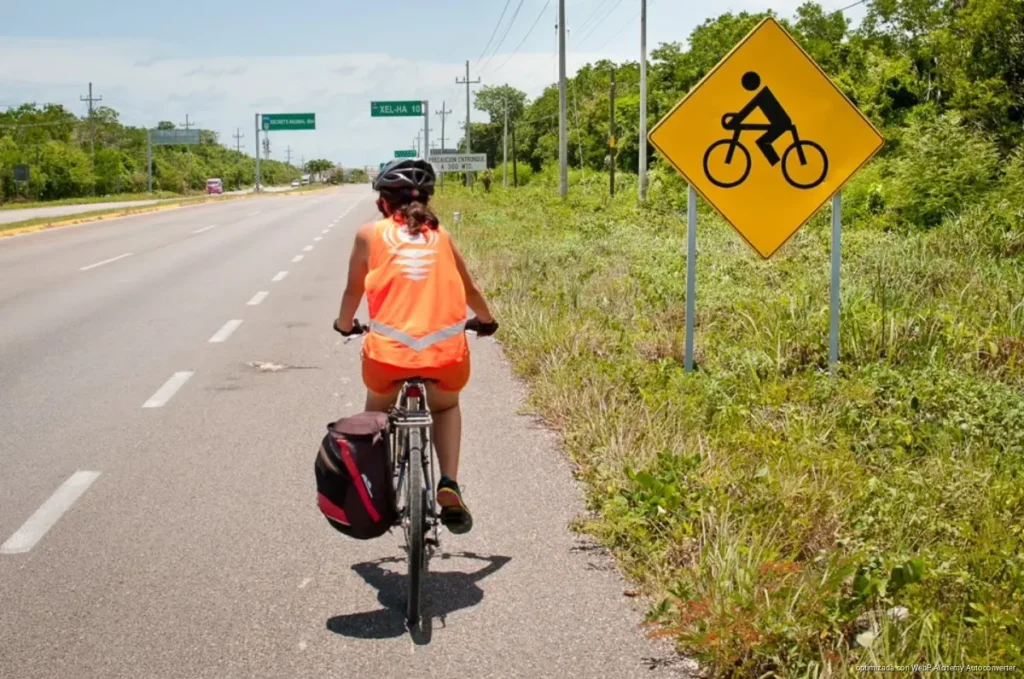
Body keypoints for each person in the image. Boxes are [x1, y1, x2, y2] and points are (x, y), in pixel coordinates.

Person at [333, 158, 498, 534]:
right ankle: (449, 483)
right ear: (426, 201)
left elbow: (352, 290)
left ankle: (373, 487)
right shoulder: (441, 236)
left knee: (376, 411)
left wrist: (345, 326)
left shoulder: (369, 234)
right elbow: (470, 290)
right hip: (445, 355)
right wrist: (486, 321)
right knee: (446, 406)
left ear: (382, 203)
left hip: (387, 356)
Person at [726, 71, 792, 167]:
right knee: (762, 141)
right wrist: (735, 121)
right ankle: (777, 164)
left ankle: (777, 164)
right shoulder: (762, 93)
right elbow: (746, 110)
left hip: (782, 123)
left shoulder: (762, 94)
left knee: (762, 142)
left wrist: (734, 122)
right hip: (779, 122)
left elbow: (747, 110)